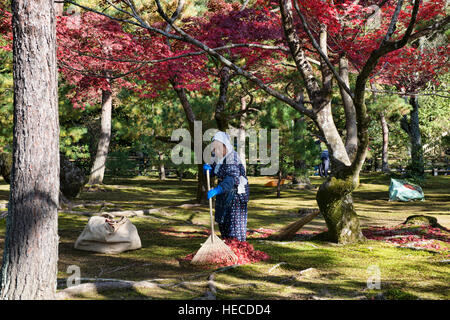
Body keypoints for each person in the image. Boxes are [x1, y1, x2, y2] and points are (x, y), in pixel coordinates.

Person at [203, 131, 249, 241]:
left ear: (225, 146)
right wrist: (209, 170)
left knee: (233, 224)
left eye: (218, 148)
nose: (215, 151)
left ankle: (237, 247)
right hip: (224, 193)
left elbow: (232, 178)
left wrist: (218, 189)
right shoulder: (219, 157)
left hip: (235, 195)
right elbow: (215, 169)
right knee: (223, 221)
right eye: (214, 148)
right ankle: (227, 244)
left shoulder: (232, 158)